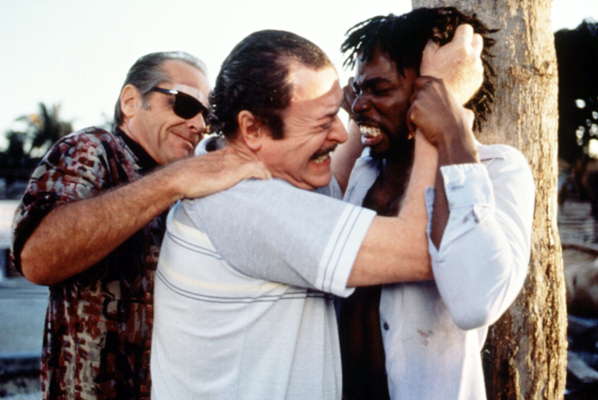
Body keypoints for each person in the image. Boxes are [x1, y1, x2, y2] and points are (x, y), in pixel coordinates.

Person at [150, 29, 482, 399]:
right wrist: (441, 107)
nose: (341, 134)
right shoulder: (246, 207)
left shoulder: (238, 168)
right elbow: (424, 249)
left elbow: (330, 192)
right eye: (323, 122)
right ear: (253, 128)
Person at [11, 51, 269, 399]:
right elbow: (37, 259)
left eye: (206, 116)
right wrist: (173, 181)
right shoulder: (93, 148)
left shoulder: (190, 182)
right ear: (131, 102)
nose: (199, 125)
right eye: (185, 105)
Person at [336, 7, 535, 399]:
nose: (358, 104)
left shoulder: (497, 170)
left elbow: (477, 300)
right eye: (358, 90)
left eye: (380, 89)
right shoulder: (366, 169)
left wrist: (450, 131)